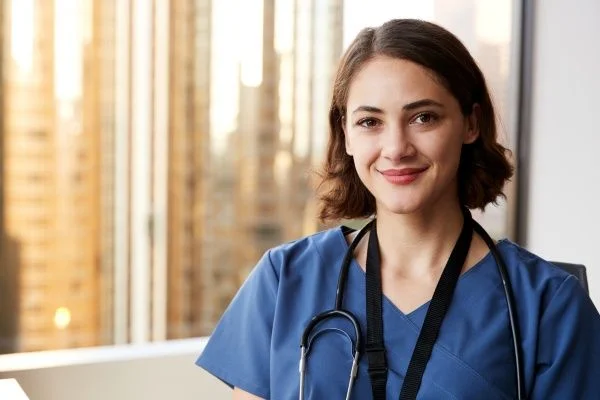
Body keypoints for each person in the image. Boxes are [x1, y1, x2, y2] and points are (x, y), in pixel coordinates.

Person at [196, 19, 600, 399]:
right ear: (347, 136)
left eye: (423, 118)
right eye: (370, 122)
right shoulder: (284, 280)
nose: (396, 149)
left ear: (471, 124)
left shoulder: (548, 306)